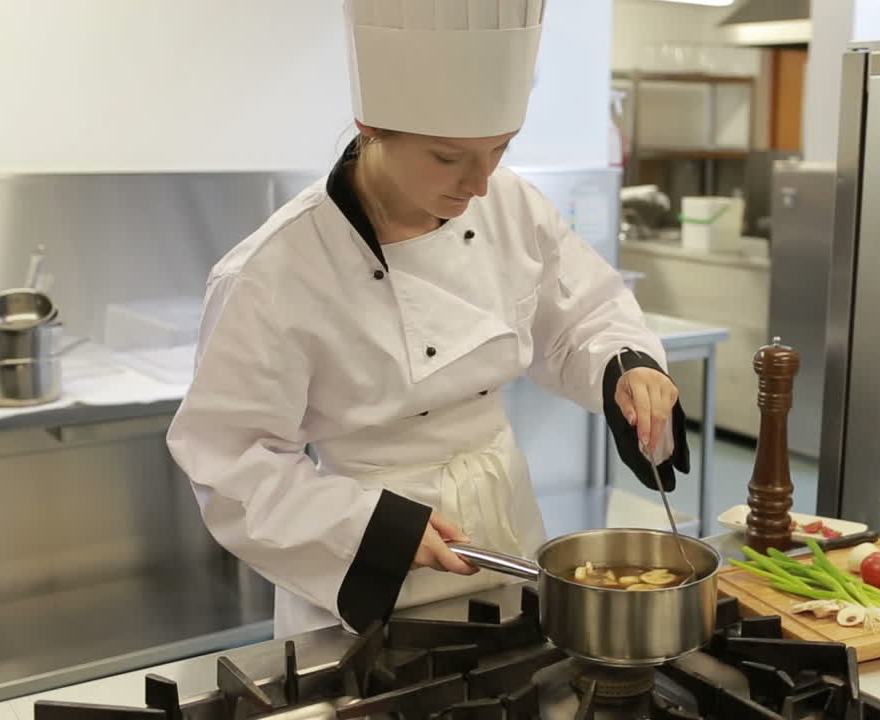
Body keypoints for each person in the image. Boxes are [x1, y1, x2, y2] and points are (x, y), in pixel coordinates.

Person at [165, 0, 689, 639]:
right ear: (372, 126)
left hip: (510, 535)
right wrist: (368, 525)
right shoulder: (277, 271)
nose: (480, 182)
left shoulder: (513, 205)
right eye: (447, 157)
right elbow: (228, 458)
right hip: (368, 563)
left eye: (500, 148)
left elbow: (583, 314)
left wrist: (626, 368)